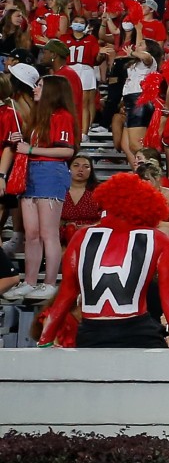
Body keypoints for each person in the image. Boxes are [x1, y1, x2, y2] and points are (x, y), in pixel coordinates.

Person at [41, 173, 169, 348]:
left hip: (91, 332)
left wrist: (45, 339)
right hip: (138, 332)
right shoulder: (159, 239)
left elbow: (67, 292)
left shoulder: (81, 236)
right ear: (148, 205)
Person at [15, 71, 77, 301]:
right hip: (31, 172)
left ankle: (49, 282)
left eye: (40, 85)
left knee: (48, 233)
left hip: (50, 172)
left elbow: (67, 150)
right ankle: (30, 281)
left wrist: (30, 150)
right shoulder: (39, 116)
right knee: (31, 233)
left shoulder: (62, 116)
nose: (35, 88)